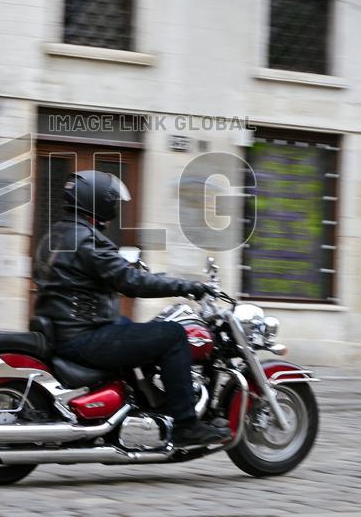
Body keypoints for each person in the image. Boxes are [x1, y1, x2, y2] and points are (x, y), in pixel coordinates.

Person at [33, 170, 230, 447]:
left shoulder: (55, 235)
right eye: (113, 201)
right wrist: (187, 286)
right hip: (83, 336)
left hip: (67, 330)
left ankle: (152, 401)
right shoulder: (88, 240)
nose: (115, 207)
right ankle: (186, 425)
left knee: (133, 328)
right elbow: (131, 282)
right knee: (173, 335)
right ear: (98, 201)